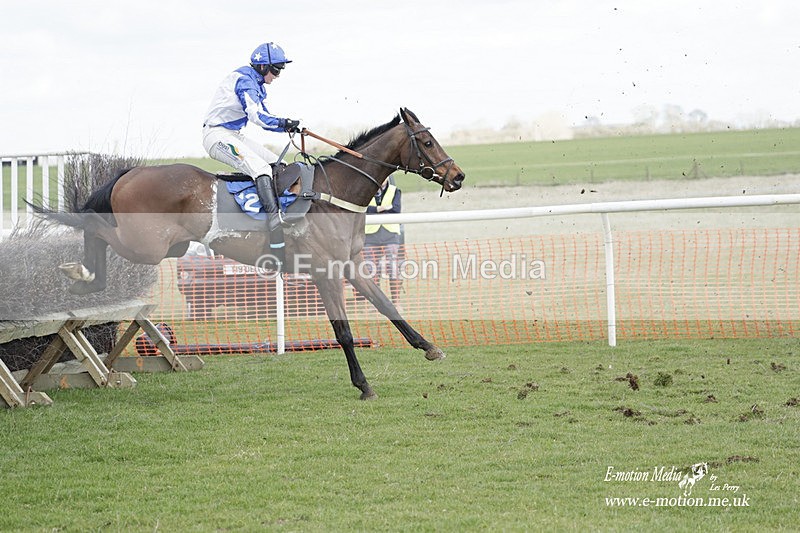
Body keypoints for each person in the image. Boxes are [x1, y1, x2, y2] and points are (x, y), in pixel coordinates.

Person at [202, 41, 300, 233]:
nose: (277, 76)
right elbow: (257, 117)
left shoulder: (255, 81)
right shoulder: (246, 81)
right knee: (262, 168)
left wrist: (287, 127)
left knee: (278, 164)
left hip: (232, 134)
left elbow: (266, 117)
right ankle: (273, 221)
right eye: (276, 70)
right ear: (263, 66)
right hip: (216, 135)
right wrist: (284, 122)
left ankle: (279, 207)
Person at [363, 176, 404, 304]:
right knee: (371, 270)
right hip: (370, 235)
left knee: (393, 268)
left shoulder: (395, 190)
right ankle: (376, 303)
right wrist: (380, 208)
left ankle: (396, 302)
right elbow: (363, 210)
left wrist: (373, 211)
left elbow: (396, 210)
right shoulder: (365, 190)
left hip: (390, 234)